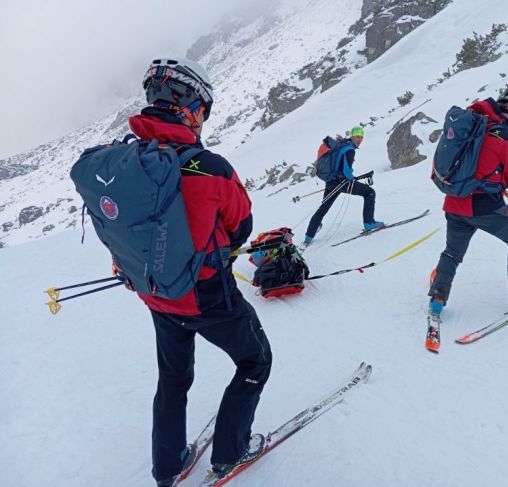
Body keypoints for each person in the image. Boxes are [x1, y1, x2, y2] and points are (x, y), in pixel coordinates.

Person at [130, 57, 272, 486]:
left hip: (156, 295)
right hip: (208, 296)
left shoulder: (128, 161)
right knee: (254, 361)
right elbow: (242, 226)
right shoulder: (211, 169)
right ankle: (230, 453)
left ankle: (168, 466)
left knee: (173, 378)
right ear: (189, 107)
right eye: (203, 111)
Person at [429, 87, 508, 314]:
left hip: (454, 202)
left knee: (452, 252)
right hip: (485, 208)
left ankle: (437, 299)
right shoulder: (506, 138)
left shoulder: (472, 123)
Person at [302, 126, 383, 246]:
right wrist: (352, 178)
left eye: (361, 137)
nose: (359, 139)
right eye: (357, 136)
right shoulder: (349, 150)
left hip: (331, 182)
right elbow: (346, 171)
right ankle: (369, 222)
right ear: (352, 136)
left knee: (323, 208)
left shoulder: (342, 145)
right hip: (342, 183)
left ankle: (309, 236)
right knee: (369, 192)